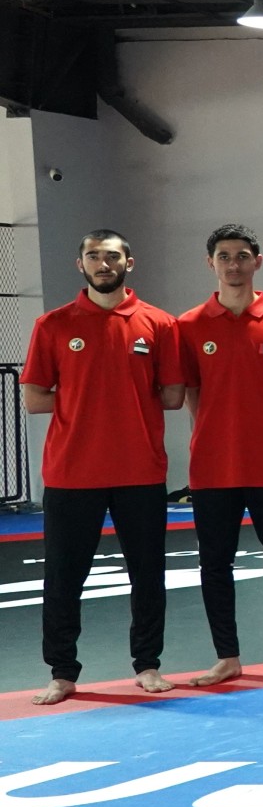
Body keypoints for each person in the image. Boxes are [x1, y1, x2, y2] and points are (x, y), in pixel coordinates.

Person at [23, 227, 184, 705]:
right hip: (72, 472)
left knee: (148, 573)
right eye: (93, 256)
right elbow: (34, 397)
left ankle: (148, 665)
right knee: (63, 576)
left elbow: (173, 395)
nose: (103, 264)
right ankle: (62, 672)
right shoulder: (53, 324)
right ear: (81, 265)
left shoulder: (160, 323)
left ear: (128, 263)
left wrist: (114, 399)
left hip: (140, 470)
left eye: (111, 256)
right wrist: (89, 399)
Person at [178, 223, 263, 687]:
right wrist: (217, 430)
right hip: (212, 466)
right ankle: (227, 657)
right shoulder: (188, 325)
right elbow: (192, 391)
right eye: (224, 256)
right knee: (215, 564)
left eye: (242, 256)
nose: (234, 264)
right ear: (210, 263)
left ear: (258, 261)